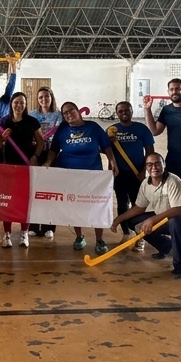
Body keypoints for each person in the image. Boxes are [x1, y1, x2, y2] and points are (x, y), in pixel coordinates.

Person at [44, 101, 118, 255]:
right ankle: (79, 237)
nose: (69, 114)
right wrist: (48, 163)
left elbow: (106, 146)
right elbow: (54, 149)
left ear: (78, 111)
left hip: (93, 175)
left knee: (96, 206)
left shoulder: (93, 127)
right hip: (70, 175)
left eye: (71, 110)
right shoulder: (62, 130)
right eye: (65, 113)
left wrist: (112, 162)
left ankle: (99, 239)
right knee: (75, 206)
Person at [110, 153, 181, 278]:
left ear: (164, 165)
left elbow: (177, 210)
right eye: (149, 165)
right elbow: (139, 208)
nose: (154, 167)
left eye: (157, 164)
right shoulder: (146, 184)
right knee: (133, 221)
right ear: (146, 167)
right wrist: (118, 220)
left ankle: (180, 266)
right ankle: (165, 246)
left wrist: (152, 219)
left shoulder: (173, 181)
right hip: (164, 220)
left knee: (175, 222)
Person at [143, 78, 181, 254]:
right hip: (173, 161)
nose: (175, 92)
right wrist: (147, 109)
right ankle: (173, 234)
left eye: (178, 89)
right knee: (171, 199)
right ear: (168, 92)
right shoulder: (166, 110)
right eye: (172, 89)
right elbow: (154, 130)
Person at [0, 92, 44, 248]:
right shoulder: (4, 121)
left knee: (24, 201)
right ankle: (7, 233)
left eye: (22, 102)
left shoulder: (32, 121)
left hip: (26, 167)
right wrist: (3, 136)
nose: (19, 105)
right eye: (16, 102)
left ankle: (24, 233)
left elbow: (41, 142)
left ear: (26, 105)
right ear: (11, 104)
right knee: (7, 201)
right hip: (8, 167)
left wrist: (35, 156)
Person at [108, 101, 155, 251]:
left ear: (132, 111)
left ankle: (140, 236)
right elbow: (104, 149)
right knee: (122, 204)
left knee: (138, 205)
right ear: (117, 113)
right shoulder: (111, 130)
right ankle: (127, 233)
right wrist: (108, 143)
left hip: (137, 174)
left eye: (126, 110)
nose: (124, 113)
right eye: (120, 111)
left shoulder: (141, 129)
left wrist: (144, 171)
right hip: (119, 175)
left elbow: (150, 152)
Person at [27, 86, 61, 239]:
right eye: (41, 97)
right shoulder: (32, 114)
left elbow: (59, 134)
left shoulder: (58, 115)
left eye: (47, 96)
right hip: (36, 153)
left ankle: (49, 226)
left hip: (52, 154)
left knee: (50, 191)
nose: (44, 99)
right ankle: (33, 225)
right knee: (35, 191)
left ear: (51, 97)